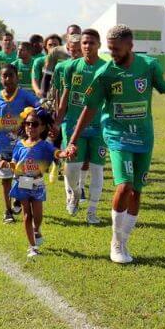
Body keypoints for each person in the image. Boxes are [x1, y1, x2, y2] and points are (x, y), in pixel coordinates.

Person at [62, 24, 165, 264]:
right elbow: (90, 107)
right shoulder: (105, 73)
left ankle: (124, 239)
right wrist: (72, 140)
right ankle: (115, 241)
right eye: (110, 49)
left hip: (144, 137)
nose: (112, 53)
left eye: (116, 49)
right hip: (116, 135)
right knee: (124, 186)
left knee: (137, 191)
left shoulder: (149, 66)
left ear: (130, 46)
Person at [53, 28, 109, 223]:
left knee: (97, 169)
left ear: (99, 45)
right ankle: (74, 193)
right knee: (72, 168)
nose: (87, 46)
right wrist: (57, 121)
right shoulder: (71, 67)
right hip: (73, 126)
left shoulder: (107, 67)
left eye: (91, 43)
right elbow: (65, 98)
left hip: (99, 127)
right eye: (84, 43)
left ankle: (92, 211)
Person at [0, 65, 40, 224]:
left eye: (10, 76)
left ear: (17, 77)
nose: (7, 79)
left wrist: (37, 112)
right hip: (2, 143)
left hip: (22, 144)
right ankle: (7, 211)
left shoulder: (24, 96)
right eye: (4, 76)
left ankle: (20, 201)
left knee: (25, 175)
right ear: (0, 79)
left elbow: (39, 107)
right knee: (6, 178)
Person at [0, 107, 58, 257]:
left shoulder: (44, 145)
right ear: (24, 125)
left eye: (35, 124)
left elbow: (56, 152)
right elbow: (14, 163)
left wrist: (65, 152)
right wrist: (6, 164)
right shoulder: (20, 144)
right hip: (23, 182)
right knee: (27, 214)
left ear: (42, 127)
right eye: (28, 124)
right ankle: (32, 247)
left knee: (38, 215)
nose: (31, 127)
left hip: (37, 183)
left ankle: (36, 229)